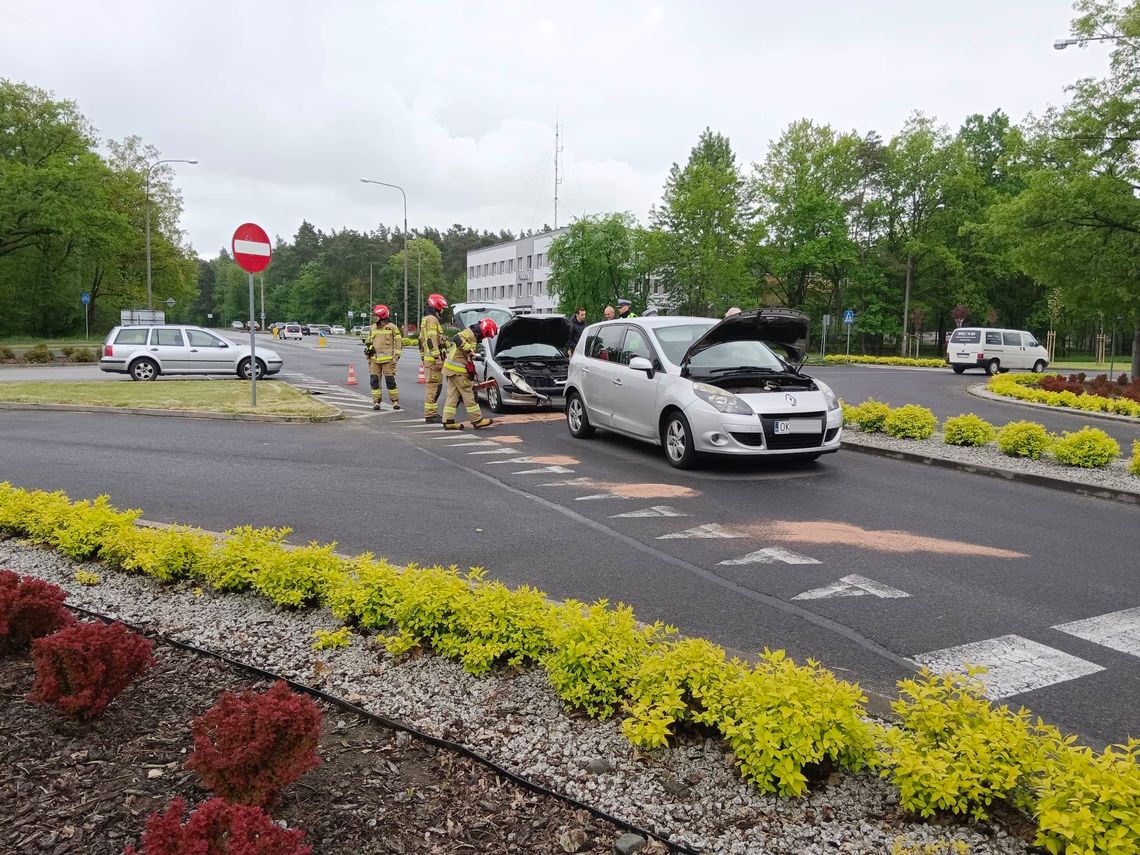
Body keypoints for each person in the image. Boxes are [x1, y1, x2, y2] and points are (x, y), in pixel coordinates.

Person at [441, 317, 498, 430]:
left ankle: (448, 421)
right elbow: (457, 338)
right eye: (486, 335)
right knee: (469, 394)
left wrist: (474, 356)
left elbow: (464, 352)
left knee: (453, 395)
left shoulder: (473, 334)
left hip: (451, 369)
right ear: (485, 331)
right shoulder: (469, 333)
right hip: (458, 370)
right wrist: (469, 350)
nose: (485, 337)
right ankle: (477, 420)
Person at [419, 293, 448, 423]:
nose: (442, 311)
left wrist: (423, 357)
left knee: (436, 386)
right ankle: (431, 414)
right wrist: (437, 358)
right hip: (433, 361)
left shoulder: (426, 318)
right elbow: (431, 340)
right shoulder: (432, 319)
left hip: (429, 360)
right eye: (441, 308)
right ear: (437, 307)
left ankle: (432, 413)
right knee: (434, 387)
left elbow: (421, 341)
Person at [366, 304, 402, 410]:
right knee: (374, 381)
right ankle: (376, 402)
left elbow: (399, 341)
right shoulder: (372, 327)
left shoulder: (392, 327)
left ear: (383, 316)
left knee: (390, 381)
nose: (374, 317)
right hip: (374, 360)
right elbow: (369, 342)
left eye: (376, 315)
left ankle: (395, 401)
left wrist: (396, 356)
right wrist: (368, 351)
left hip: (388, 360)